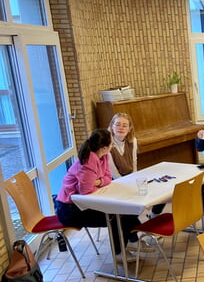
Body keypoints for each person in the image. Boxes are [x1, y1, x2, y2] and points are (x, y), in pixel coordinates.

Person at [55, 129, 143, 262]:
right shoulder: (88, 161)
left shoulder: (104, 156)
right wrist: (98, 182)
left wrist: (98, 181)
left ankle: (133, 241)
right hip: (69, 210)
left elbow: (108, 177)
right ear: (103, 148)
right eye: (111, 143)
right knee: (115, 216)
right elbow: (86, 191)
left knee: (128, 210)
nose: (112, 145)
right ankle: (118, 253)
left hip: (83, 203)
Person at [107, 112, 137, 179]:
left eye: (124, 126)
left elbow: (134, 163)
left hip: (130, 177)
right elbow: (114, 173)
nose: (121, 128)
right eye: (118, 125)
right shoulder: (107, 144)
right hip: (115, 180)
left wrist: (134, 178)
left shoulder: (133, 140)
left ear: (129, 129)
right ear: (112, 126)